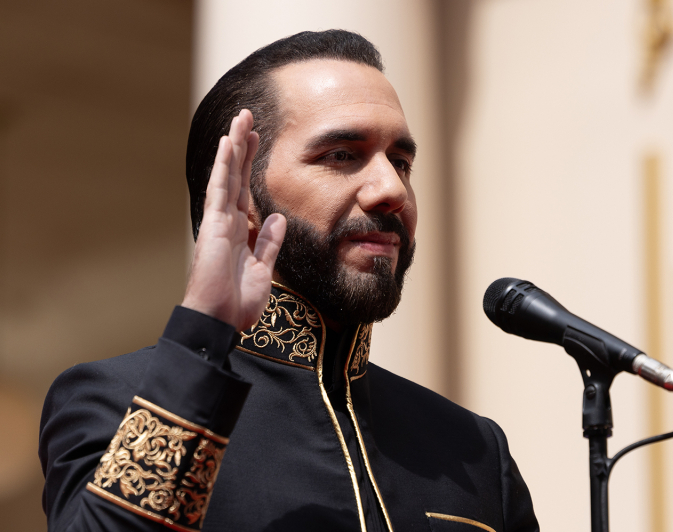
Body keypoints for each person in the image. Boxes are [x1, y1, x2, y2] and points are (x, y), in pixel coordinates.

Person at [39, 30, 539, 532]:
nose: (392, 189)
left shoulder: (472, 447)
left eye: (402, 162)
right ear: (243, 195)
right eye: (341, 154)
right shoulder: (117, 399)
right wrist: (203, 333)